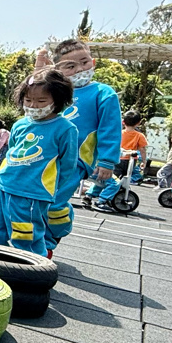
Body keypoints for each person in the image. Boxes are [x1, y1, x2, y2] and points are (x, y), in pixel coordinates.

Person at [0, 70, 78, 257]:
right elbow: (12, 150)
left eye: (41, 101)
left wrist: (51, 191)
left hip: (32, 193)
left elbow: (68, 166)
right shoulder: (20, 125)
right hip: (3, 185)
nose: (33, 105)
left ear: (58, 100)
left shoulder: (65, 129)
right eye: (28, 100)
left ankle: (34, 265)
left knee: (25, 233)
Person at [36, 38, 121, 244]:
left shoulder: (103, 93)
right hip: (45, 155)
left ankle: (49, 240)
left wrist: (107, 160)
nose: (80, 69)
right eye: (70, 66)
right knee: (35, 198)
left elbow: (110, 128)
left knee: (55, 202)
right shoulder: (54, 91)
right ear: (58, 69)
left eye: (84, 62)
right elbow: (32, 99)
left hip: (76, 160)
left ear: (93, 62)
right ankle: (32, 240)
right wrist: (39, 69)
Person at [115, 110, 148, 182]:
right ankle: (122, 187)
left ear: (123, 122)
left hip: (117, 158)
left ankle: (113, 187)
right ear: (138, 123)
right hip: (130, 160)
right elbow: (142, 150)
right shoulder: (139, 135)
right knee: (125, 178)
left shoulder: (119, 133)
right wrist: (144, 161)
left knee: (114, 177)